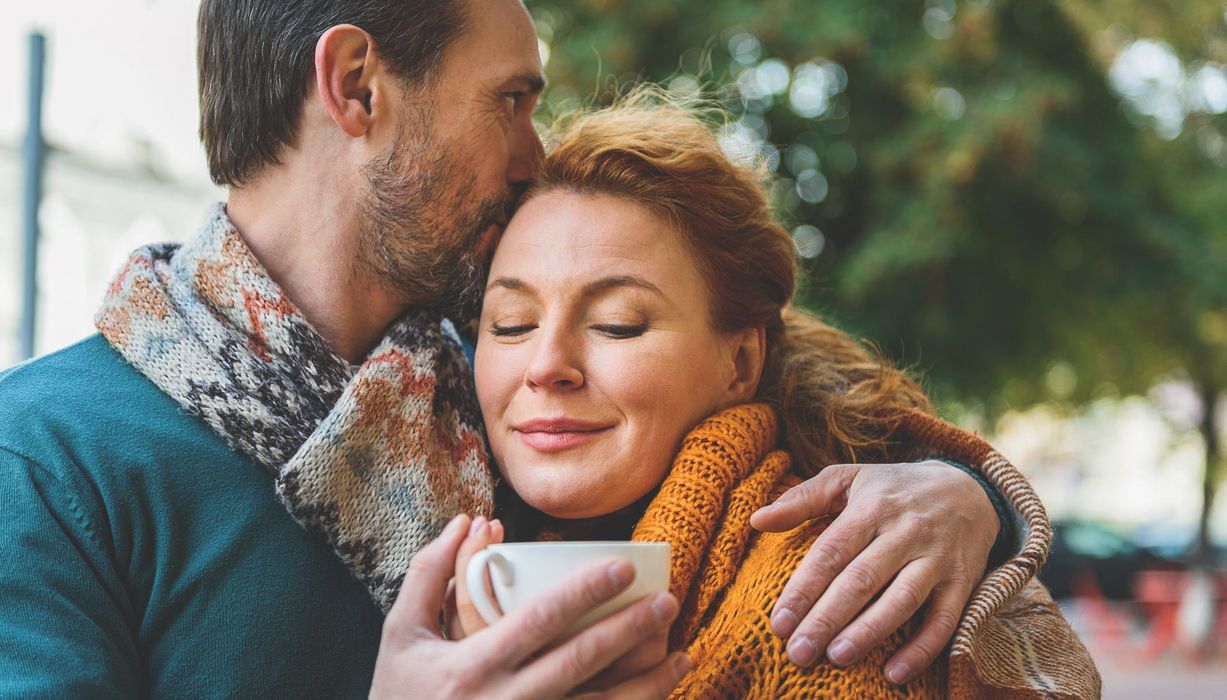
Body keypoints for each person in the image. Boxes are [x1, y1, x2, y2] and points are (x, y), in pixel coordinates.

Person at [0, 0, 1029, 696]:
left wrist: (966, 498)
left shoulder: (509, 404)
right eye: (512, 99)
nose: (536, 155)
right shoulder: (48, 461)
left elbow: (798, 390)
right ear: (357, 85)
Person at [444, 96, 1101, 697]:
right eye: (512, 326)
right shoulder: (435, 539)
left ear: (740, 362)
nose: (545, 365)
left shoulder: (826, 603)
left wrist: (973, 495)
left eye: (618, 322)